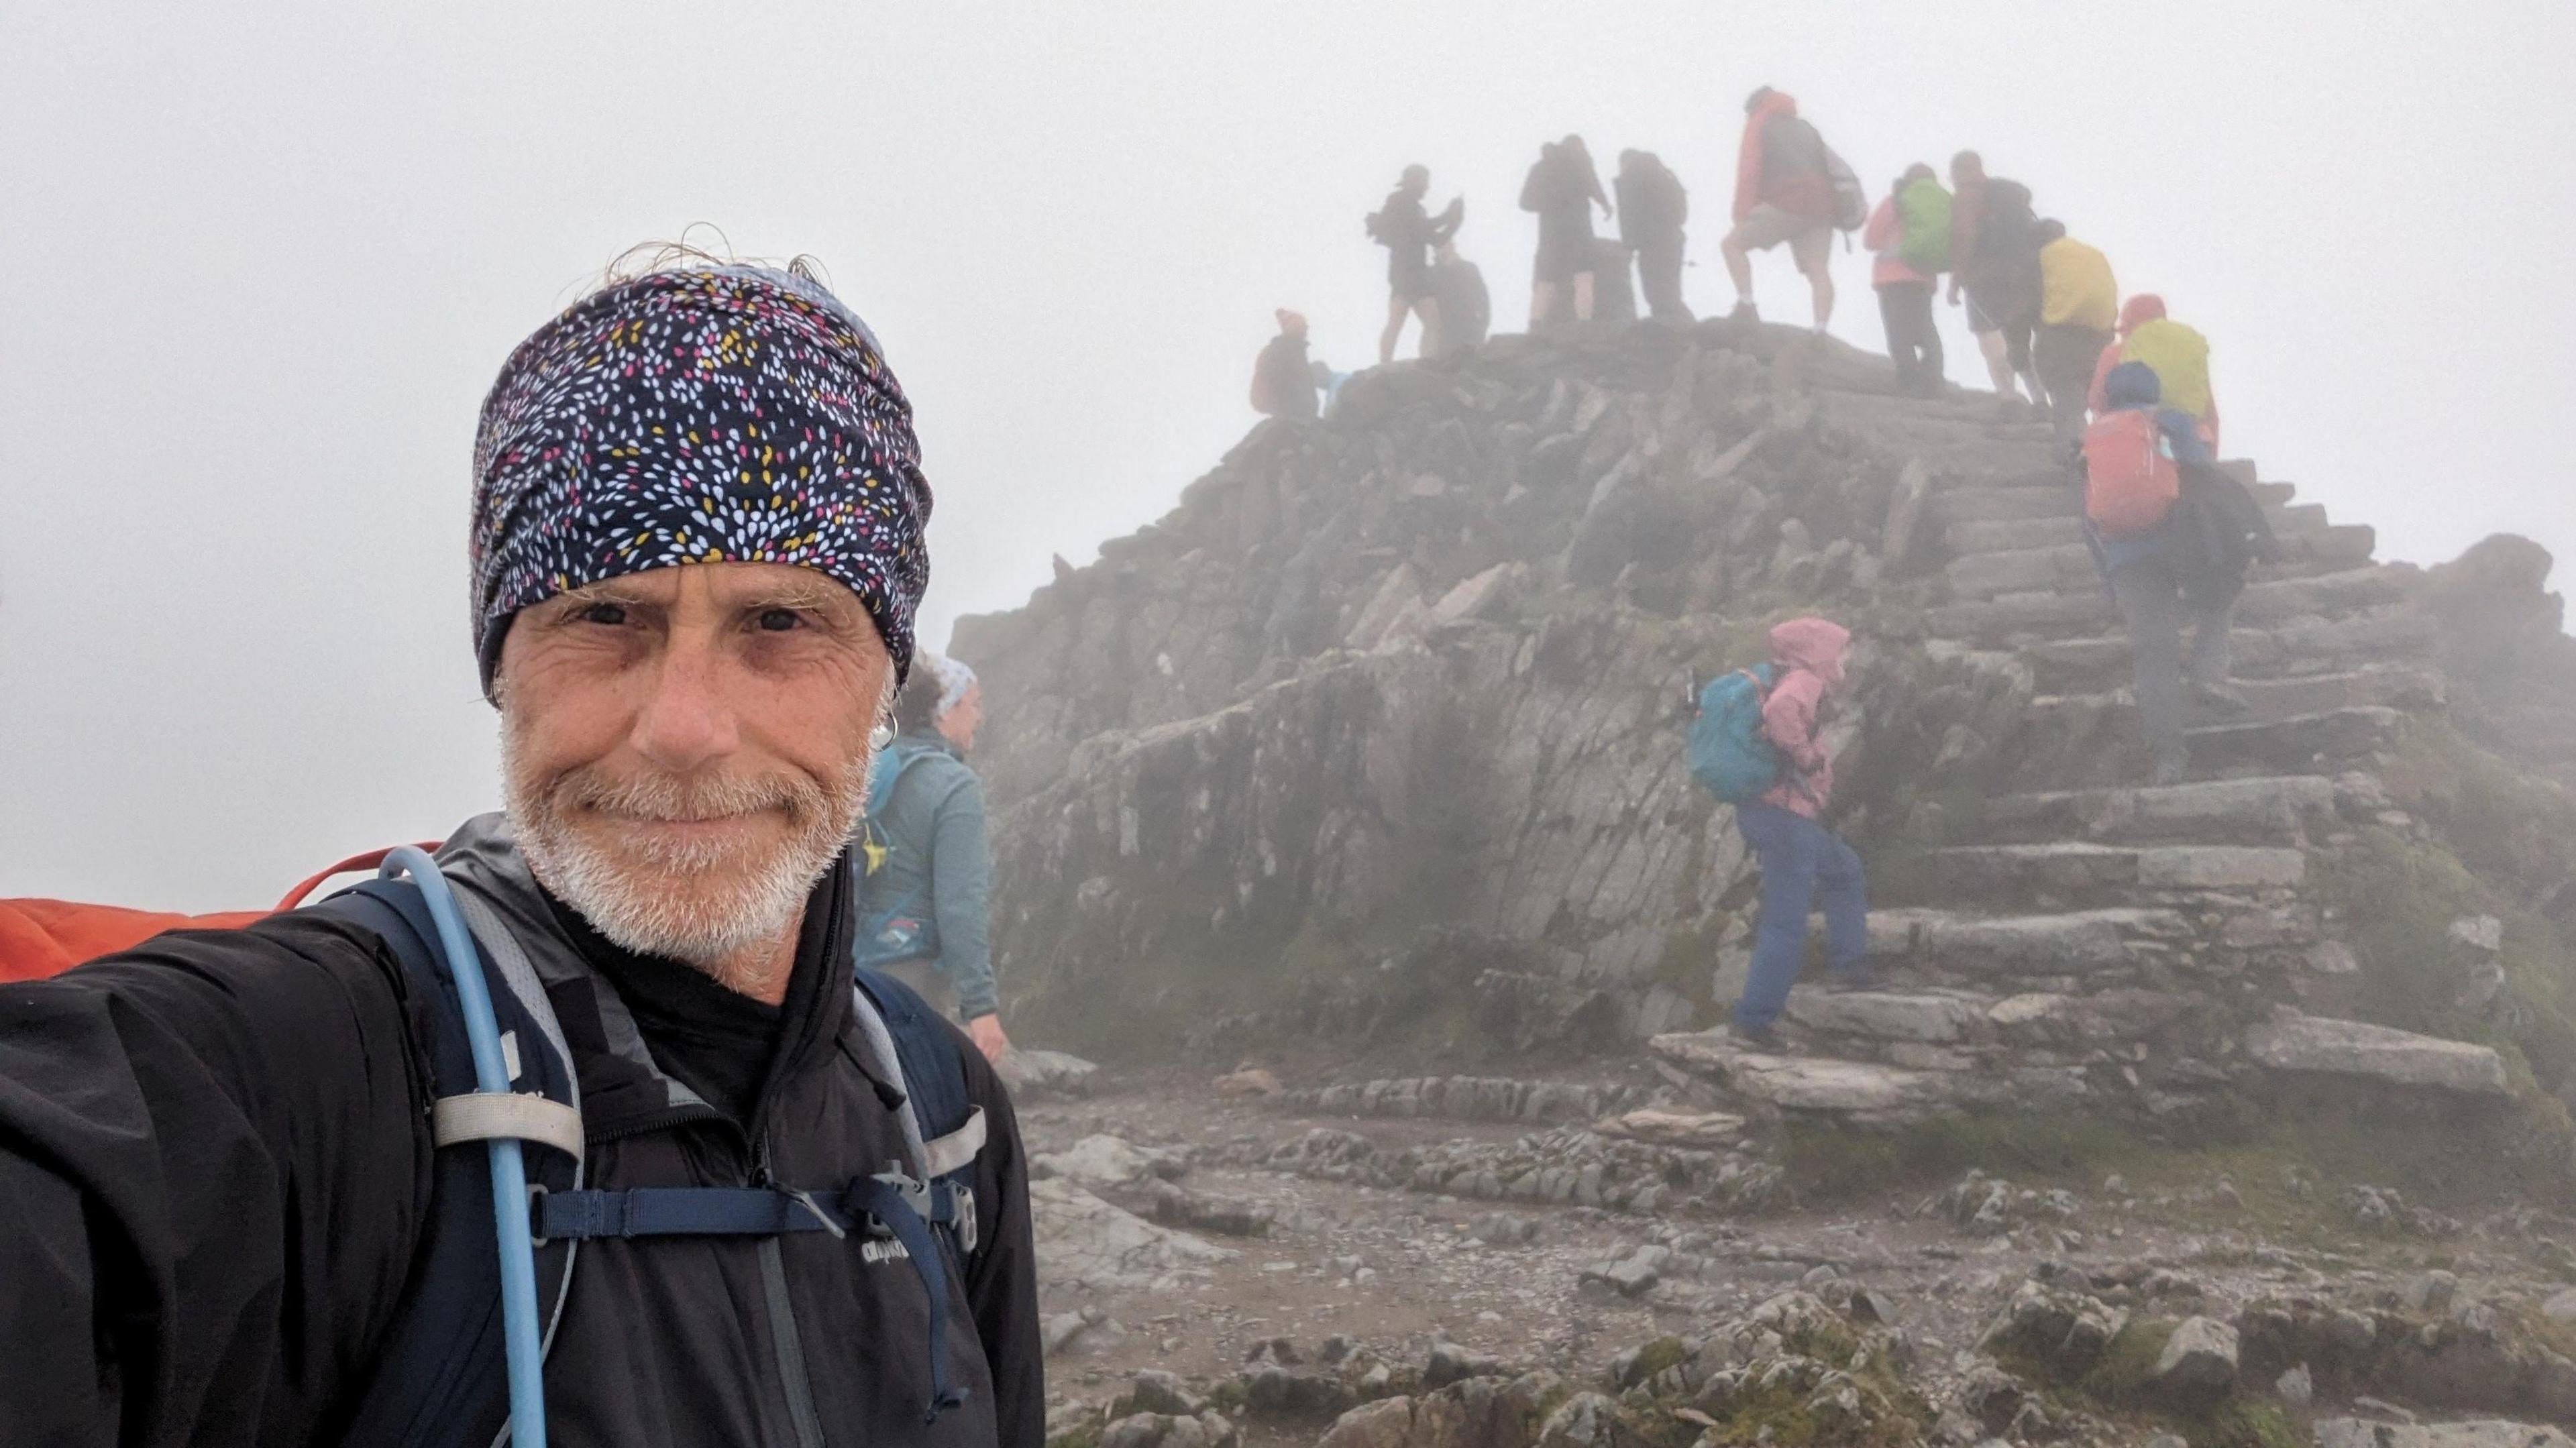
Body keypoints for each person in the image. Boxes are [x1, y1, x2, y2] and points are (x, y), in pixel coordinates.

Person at [0, 259, 1043, 1447]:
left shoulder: (948, 1118)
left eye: (781, 620)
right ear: (505, 666)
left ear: (878, 679)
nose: (684, 728)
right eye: (604, 615)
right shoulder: (331, 1068)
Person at [2086, 360, 2251, 786]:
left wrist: (2109, 578)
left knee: (2153, 652)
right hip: (2182, 541)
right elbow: (2200, 468)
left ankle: (2168, 756)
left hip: (2127, 556)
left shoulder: (2096, 439)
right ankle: (2207, 673)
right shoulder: (2169, 420)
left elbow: (2088, 513)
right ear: (2153, 390)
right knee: (2220, 598)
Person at [857, 653, 1012, 1064]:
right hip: (914, 979)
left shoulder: (865, 771)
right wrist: (980, 1007)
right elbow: (960, 903)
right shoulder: (953, 786)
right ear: (947, 707)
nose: (979, 717)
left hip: (846, 973)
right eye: (974, 704)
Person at [1729, 618, 1868, 1047]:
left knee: (1844, 869)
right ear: (1819, 651)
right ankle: (1752, 1021)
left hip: (1777, 816)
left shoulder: (1790, 677)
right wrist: (1807, 757)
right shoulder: (1804, 680)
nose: (1846, 657)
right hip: (1785, 818)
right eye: (1841, 649)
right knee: (1785, 922)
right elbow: (1780, 712)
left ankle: (1849, 966)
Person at [1719, 87, 1837, 330]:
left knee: (1732, 245)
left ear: (1754, 107)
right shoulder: (1806, 127)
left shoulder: (1760, 122)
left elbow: (1749, 172)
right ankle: (1820, 330)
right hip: (1822, 207)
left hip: (1786, 201)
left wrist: (1741, 216)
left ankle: (1746, 305)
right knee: (1818, 268)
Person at [1946, 150, 2043, 408]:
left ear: (1957, 173)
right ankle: (2040, 399)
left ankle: (2008, 396)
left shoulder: (1967, 197)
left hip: (1984, 277)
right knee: (2018, 337)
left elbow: (1965, 237)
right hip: (2021, 273)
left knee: (1989, 336)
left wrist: (1956, 281)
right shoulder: (2008, 195)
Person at [2088, 294, 2221, 452]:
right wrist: (2211, 461)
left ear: (2129, 325)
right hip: (2188, 447)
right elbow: (2211, 416)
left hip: (2135, 445)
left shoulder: (2117, 352)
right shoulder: (2188, 353)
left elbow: (2096, 401)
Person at [2031, 219, 2119, 442]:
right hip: (2101, 334)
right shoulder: (2093, 254)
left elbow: (2029, 299)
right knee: (2098, 395)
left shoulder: (2043, 255)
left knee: (2067, 393)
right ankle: (2107, 449)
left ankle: (2074, 454)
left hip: (2062, 333)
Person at [1864, 164, 1945, 396]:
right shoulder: (1940, 205)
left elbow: (1871, 239)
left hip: (1892, 276)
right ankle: (1934, 379)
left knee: (1899, 332)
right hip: (1924, 277)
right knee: (1926, 328)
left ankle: (1909, 382)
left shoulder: (1897, 200)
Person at [1368, 163, 1463, 363]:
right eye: (1425, 182)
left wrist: (1450, 217)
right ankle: (1390, 362)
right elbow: (1427, 233)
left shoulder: (1411, 206)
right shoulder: (1401, 202)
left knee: (1427, 320)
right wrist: (1453, 218)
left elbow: (1427, 231)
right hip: (1406, 271)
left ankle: (1420, 361)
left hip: (1411, 271)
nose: (1427, 187)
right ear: (1416, 182)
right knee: (1402, 319)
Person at [1521, 135, 1612, 331]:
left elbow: (1525, 202)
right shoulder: (1580, 163)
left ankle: (1535, 325)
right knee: (1584, 276)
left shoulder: (1541, 167)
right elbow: (1593, 186)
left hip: (1550, 233)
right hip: (1579, 229)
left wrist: (1551, 200)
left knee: (1545, 280)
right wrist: (1605, 204)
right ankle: (1584, 324)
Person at [1615, 148, 1693, 323]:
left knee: (1655, 293)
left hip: (1649, 243)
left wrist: (1628, 247)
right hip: (1674, 239)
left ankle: (1673, 331)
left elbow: (1629, 215)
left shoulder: (1631, 178)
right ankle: (1685, 330)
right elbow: (1681, 213)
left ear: (1624, 163)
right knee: (1671, 292)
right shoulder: (1664, 175)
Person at [1250, 307, 1320, 420]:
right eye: (1302, 326)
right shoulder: (1279, 351)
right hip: (1290, 418)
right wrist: (1287, 409)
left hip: (1303, 419)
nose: (1305, 330)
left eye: (1305, 327)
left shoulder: (1297, 352)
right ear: (1290, 327)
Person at [1429, 237, 1491, 354]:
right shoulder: (1431, 273)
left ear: (1453, 245)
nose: (1444, 248)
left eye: (1447, 244)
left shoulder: (1469, 268)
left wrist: (1482, 326)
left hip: (1471, 331)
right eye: (1439, 246)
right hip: (1444, 334)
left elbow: (1483, 299)